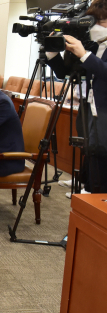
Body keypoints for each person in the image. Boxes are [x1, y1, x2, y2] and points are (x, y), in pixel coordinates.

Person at [45, 0, 107, 192]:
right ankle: (88, 188)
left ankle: (97, 193)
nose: (97, 27)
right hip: (88, 106)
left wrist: (85, 55)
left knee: (100, 150)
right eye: (94, 21)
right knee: (88, 148)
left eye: (102, 22)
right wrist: (52, 52)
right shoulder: (89, 43)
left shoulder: (88, 48)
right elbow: (65, 73)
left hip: (104, 109)